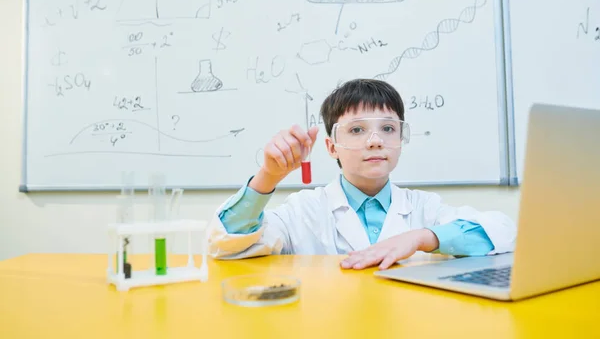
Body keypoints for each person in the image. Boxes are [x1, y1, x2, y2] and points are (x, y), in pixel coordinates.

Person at [207, 79, 516, 270]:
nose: (375, 140)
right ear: (331, 147)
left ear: (400, 140)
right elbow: (227, 243)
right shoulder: (304, 211)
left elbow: (502, 231)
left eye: (388, 128)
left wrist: (422, 237)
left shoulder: (424, 209)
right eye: (356, 130)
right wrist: (268, 176)